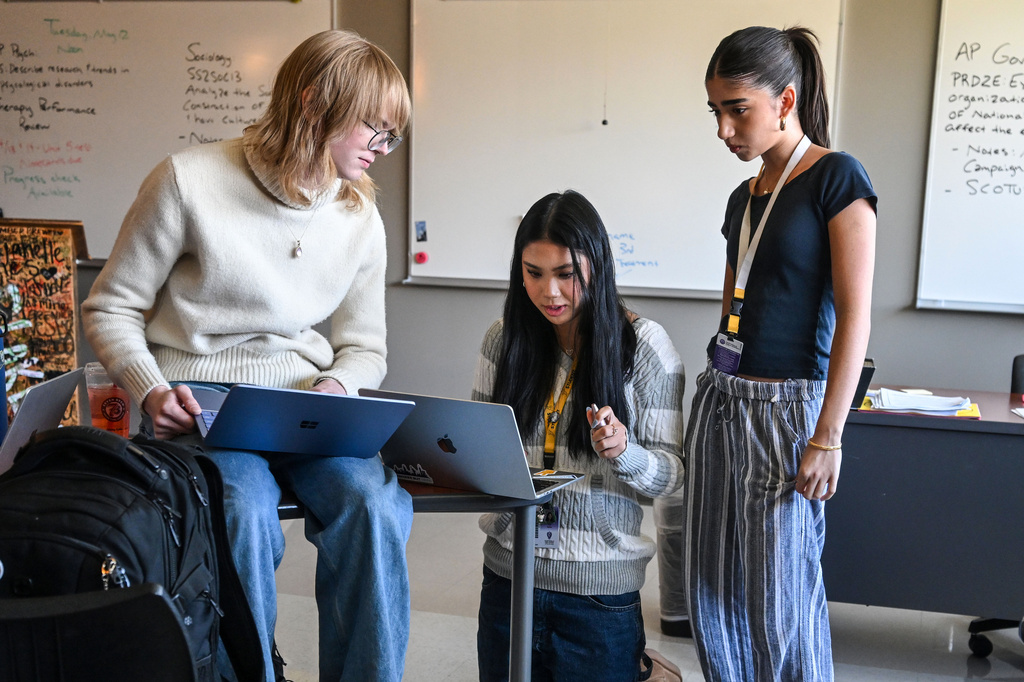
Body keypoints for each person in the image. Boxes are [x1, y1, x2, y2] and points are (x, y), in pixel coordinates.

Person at [82, 30, 412, 682]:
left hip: (306, 408)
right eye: (374, 129)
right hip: (202, 408)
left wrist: (338, 389)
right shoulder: (186, 180)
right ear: (315, 103)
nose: (382, 149)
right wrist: (151, 389)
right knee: (243, 509)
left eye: (391, 135)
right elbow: (110, 307)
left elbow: (363, 346)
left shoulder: (358, 216)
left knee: (373, 507)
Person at [686, 26, 877, 680]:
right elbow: (730, 306)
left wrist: (829, 436)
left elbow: (855, 314)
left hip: (788, 411)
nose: (724, 129)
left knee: (779, 600)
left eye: (737, 108)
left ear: (785, 100)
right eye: (716, 111)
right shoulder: (744, 197)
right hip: (721, 401)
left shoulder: (837, 178)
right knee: (710, 588)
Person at [471, 190, 686, 681]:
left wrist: (625, 452)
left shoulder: (645, 347)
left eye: (566, 274)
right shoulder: (502, 341)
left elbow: (672, 476)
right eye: (534, 273)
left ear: (598, 264)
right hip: (507, 574)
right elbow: (480, 452)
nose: (550, 292)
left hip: (598, 592)